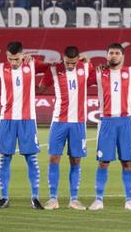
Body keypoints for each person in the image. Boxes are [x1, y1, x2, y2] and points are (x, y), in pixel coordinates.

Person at [0, 41, 48, 209]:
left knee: (31, 158)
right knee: (5, 158)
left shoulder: (31, 64)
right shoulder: (1, 68)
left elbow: (51, 68)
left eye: (17, 59)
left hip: (27, 119)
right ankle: (4, 198)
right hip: (7, 119)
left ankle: (35, 198)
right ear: (6, 56)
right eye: (11, 59)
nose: (14, 62)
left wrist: (42, 87)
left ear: (23, 55)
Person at [38, 46, 93, 210]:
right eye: (68, 63)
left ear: (78, 59)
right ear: (63, 58)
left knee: (76, 160)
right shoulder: (54, 70)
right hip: (59, 121)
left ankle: (74, 199)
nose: (70, 66)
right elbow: (41, 87)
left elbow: (96, 80)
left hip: (78, 122)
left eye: (73, 63)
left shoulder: (85, 67)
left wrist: (89, 63)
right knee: (54, 158)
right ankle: (53, 199)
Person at [88, 43, 131, 211]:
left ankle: (129, 200)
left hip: (125, 121)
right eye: (111, 53)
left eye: (117, 53)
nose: (114, 56)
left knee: (127, 162)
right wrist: (86, 61)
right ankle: (98, 200)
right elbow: (81, 80)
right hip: (106, 122)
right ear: (106, 56)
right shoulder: (98, 73)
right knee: (103, 162)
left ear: (122, 56)